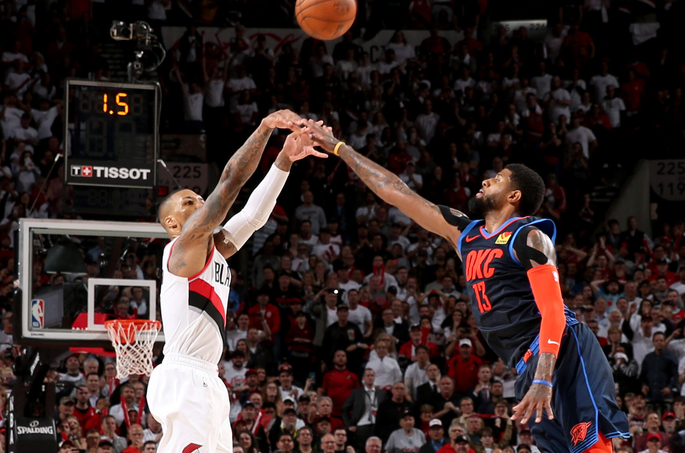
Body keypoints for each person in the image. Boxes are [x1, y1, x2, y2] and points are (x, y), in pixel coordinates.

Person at [304, 121, 629, 452]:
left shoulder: (529, 237)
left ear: (514, 196)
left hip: (562, 350)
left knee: (591, 447)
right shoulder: (466, 234)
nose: (486, 181)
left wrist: (544, 377)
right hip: (525, 364)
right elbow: (396, 191)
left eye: (498, 179)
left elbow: (553, 312)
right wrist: (340, 148)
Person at [148, 110, 323, 453]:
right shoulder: (182, 248)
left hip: (208, 379)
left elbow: (254, 216)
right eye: (189, 203)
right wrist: (265, 127)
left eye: (200, 199)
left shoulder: (214, 249)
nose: (200, 203)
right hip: (184, 376)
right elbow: (230, 181)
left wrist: (284, 160)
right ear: (172, 223)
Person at [342, 368, 388, 450]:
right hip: (361, 426)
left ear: (374, 377)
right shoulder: (356, 392)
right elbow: (345, 409)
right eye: (368, 375)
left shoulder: (382, 393)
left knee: (376, 449)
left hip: (377, 426)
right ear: (363, 378)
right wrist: (348, 425)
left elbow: (386, 411)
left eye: (372, 375)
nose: (370, 377)